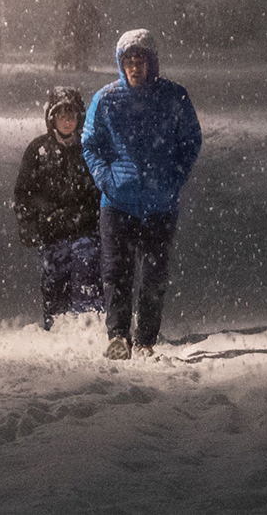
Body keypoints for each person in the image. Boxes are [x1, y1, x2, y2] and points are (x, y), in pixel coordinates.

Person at [82, 29, 202, 360]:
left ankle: (146, 337)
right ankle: (118, 335)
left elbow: (191, 140)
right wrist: (107, 180)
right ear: (120, 64)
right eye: (129, 60)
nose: (136, 67)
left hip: (160, 205)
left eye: (141, 60)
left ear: (153, 63)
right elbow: (90, 143)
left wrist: (173, 179)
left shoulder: (174, 97)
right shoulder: (105, 100)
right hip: (117, 203)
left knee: (153, 275)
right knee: (116, 273)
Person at [13, 86, 104, 330]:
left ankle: (89, 323)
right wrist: (28, 222)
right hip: (52, 230)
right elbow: (23, 193)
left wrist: (99, 218)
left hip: (86, 228)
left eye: (71, 115)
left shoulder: (89, 150)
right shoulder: (38, 151)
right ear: (51, 118)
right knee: (55, 277)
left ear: (80, 118)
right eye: (61, 115)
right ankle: (58, 323)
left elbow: (102, 188)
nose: (67, 121)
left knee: (87, 269)